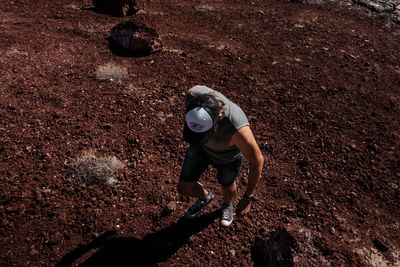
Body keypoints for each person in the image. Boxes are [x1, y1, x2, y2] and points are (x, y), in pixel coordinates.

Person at [178, 85, 264, 227]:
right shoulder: (193, 96)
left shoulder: (237, 128)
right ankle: (205, 197)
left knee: (227, 184)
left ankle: (227, 204)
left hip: (228, 158)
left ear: (219, 117)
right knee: (184, 188)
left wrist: (248, 198)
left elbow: (257, 161)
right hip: (201, 148)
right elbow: (196, 88)